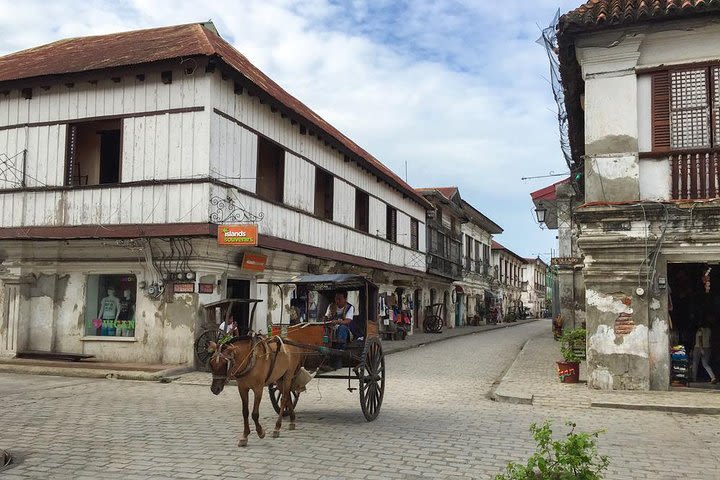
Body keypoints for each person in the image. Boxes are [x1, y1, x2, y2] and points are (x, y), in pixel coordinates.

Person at [693, 316, 717, 384]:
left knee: (695, 363)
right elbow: (709, 339)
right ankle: (713, 377)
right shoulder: (709, 330)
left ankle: (693, 378)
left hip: (698, 348)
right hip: (707, 348)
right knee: (705, 364)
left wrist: (701, 349)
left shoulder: (700, 330)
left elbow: (700, 340)